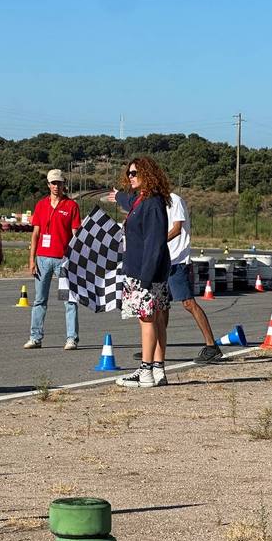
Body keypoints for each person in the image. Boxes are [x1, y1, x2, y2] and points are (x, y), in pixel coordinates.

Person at [131, 192, 222, 364]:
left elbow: (177, 229)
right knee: (161, 306)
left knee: (188, 303)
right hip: (163, 260)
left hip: (177, 260)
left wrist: (156, 243)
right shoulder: (154, 203)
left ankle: (212, 346)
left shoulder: (175, 200)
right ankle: (154, 346)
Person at [108, 157, 172, 388]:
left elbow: (155, 243)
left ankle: (146, 371)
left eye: (134, 173)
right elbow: (129, 201)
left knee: (148, 320)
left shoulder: (152, 203)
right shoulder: (141, 200)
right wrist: (117, 196)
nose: (130, 177)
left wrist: (145, 278)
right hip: (146, 272)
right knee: (154, 320)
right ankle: (157, 369)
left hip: (146, 273)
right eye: (129, 174)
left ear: (147, 174)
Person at [23, 169, 81, 350]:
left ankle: (71, 338)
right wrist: (31, 260)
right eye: (53, 183)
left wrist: (77, 259)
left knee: (69, 300)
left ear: (64, 184)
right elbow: (35, 234)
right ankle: (35, 337)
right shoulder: (41, 205)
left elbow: (76, 234)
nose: (56, 186)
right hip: (42, 260)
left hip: (63, 260)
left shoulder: (71, 206)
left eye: (59, 183)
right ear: (48, 185)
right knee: (40, 299)